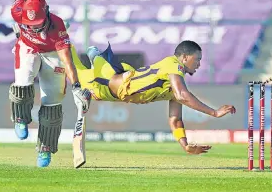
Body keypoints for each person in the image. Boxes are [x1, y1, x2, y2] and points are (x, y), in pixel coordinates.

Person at [70, 40, 236, 155]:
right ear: (185, 58)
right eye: (197, 59)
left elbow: (175, 120)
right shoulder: (174, 64)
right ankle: (91, 53)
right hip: (109, 78)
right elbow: (183, 96)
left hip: (109, 93)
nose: (199, 64)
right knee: (82, 65)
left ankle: (84, 53)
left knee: (78, 72)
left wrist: (185, 145)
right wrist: (214, 112)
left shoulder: (176, 85)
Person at [9, 0, 91, 167]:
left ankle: (45, 148)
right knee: (23, 81)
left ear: (46, 13)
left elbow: (67, 60)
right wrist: (19, 29)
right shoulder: (17, 11)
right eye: (30, 25)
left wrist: (76, 86)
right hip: (27, 47)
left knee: (52, 102)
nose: (35, 28)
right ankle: (20, 118)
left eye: (38, 23)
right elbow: (17, 4)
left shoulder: (58, 27)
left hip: (53, 54)